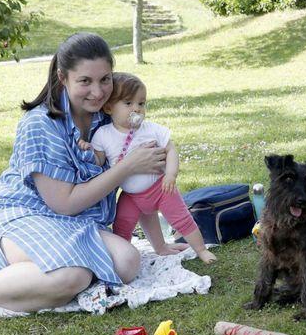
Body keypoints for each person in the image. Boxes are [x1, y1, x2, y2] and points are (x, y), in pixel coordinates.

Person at [0, 33, 168, 335]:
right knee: (73, 274)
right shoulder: (40, 124)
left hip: (77, 224)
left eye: (105, 79)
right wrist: (126, 168)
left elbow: (142, 182)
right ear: (62, 78)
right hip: (20, 213)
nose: (98, 92)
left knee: (128, 262)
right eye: (85, 81)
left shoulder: (107, 119)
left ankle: (32, 278)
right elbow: (64, 203)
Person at [84, 72, 216, 263]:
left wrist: (171, 174)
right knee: (122, 224)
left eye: (141, 103)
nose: (136, 109)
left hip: (161, 188)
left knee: (181, 219)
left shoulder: (150, 129)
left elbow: (171, 150)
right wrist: (89, 150)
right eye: (128, 103)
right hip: (131, 195)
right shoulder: (103, 135)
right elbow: (99, 161)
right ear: (109, 107)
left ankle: (201, 249)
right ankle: (122, 256)